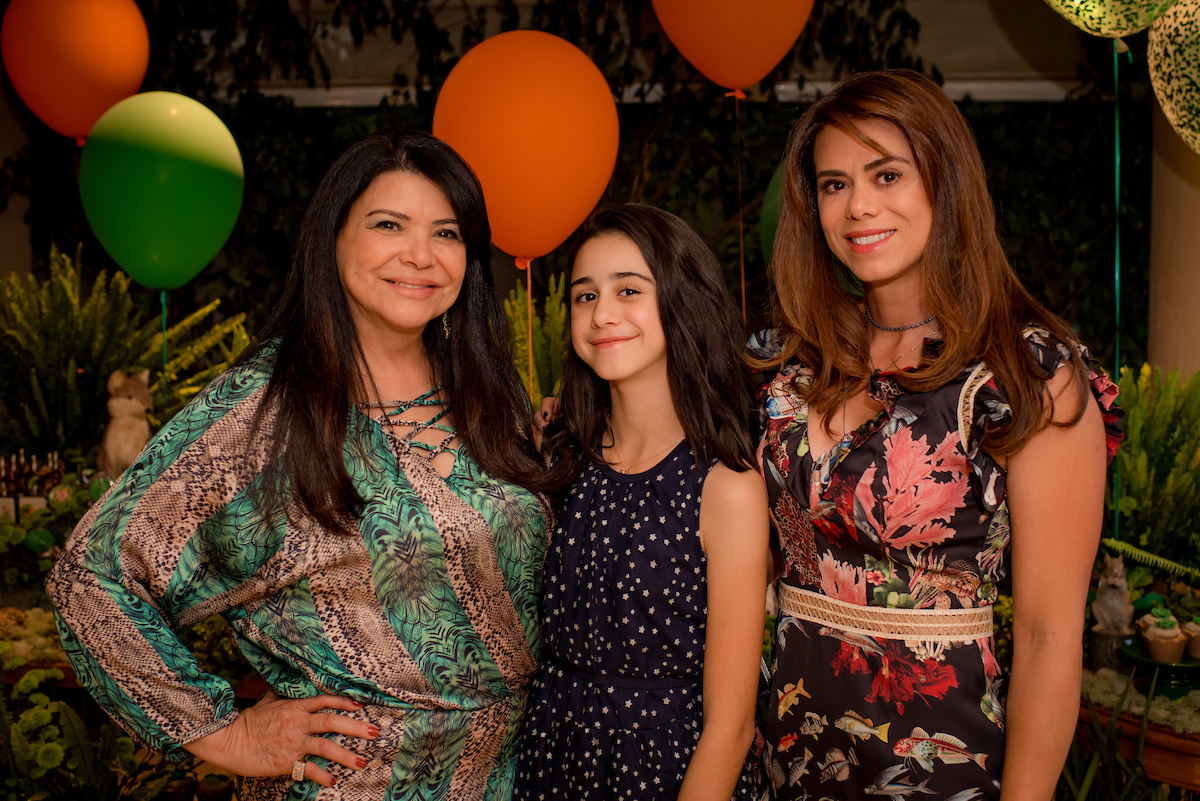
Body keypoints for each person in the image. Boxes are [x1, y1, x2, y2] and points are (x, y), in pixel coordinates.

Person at [47, 128, 556, 800]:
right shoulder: (265, 410)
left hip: (520, 776)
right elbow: (90, 577)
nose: (420, 255)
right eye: (388, 224)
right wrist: (229, 734)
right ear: (333, 238)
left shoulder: (490, 391)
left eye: (448, 232)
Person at [751, 70, 1123, 800]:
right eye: (833, 184)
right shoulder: (792, 363)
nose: (858, 205)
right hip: (786, 764)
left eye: (886, 174)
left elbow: (1050, 638)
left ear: (945, 180)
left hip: (942, 769)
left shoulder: (1027, 373)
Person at [512, 204, 771, 801]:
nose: (602, 314)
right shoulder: (557, 458)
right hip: (553, 760)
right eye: (584, 295)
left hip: (668, 772)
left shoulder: (725, 487)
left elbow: (730, 726)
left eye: (629, 290)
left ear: (681, 301)